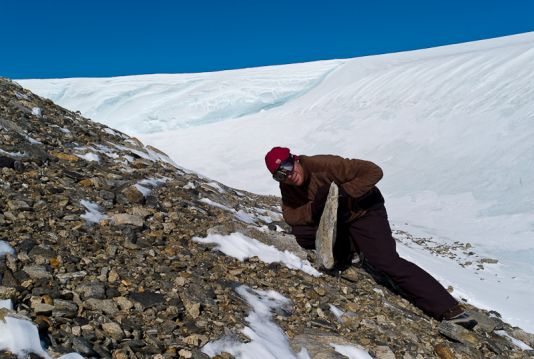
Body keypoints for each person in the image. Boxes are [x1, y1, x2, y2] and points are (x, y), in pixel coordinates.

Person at [264, 146, 477, 329]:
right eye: (279, 174)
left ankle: (449, 309)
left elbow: (373, 171)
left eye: (287, 167)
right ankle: (350, 252)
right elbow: (290, 215)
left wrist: (342, 192)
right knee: (303, 233)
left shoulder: (323, 164)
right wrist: (316, 207)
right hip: (340, 215)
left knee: (386, 262)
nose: (287, 175)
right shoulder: (288, 185)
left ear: (295, 159)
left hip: (364, 210)